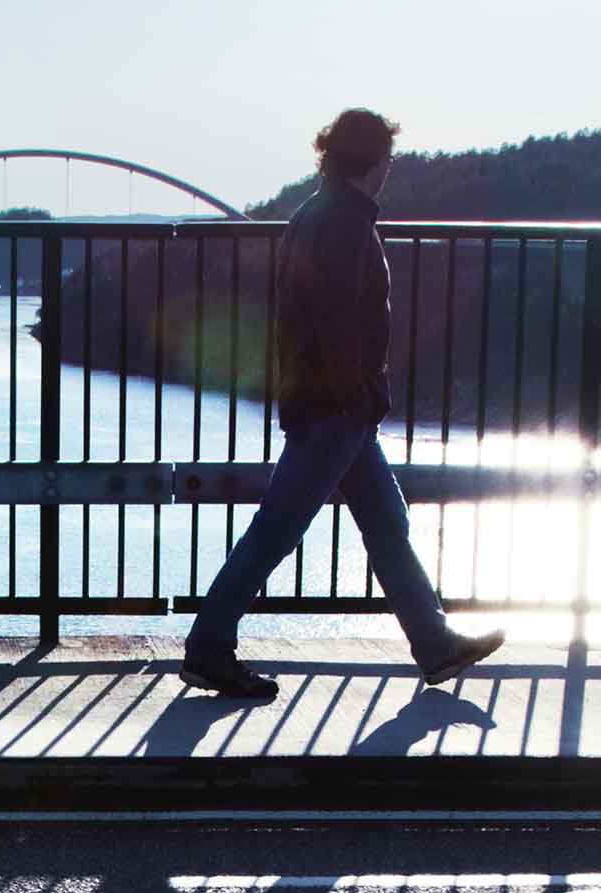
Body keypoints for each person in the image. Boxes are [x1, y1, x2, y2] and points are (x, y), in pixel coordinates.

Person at [181, 108, 504, 701]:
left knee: (386, 523)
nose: (389, 171)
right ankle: (208, 648)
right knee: (278, 528)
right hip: (336, 409)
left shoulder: (318, 213)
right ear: (373, 161)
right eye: (388, 160)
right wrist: (356, 395)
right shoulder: (344, 224)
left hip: (332, 405)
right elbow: (335, 323)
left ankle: (433, 645)